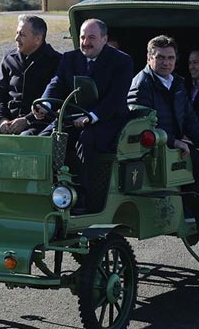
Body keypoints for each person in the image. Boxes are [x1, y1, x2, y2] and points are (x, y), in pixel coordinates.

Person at [34, 19, 134, 213]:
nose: (85, 42)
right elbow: (57, 83)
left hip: (107, 119)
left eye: (91, 38)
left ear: (104, 39)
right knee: (45, 139)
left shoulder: (122, 61)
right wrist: (44, 104)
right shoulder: (70, 58)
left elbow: (115, 98)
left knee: (87, 140)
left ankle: (82, 197)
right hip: (74, 116)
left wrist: (92, 117)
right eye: (82, 37)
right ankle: (45, 191)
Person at [128, 35, 199, 177]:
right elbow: (141, 126)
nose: (166, 63)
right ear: (149, 58)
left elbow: (189, 118)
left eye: (171, 58)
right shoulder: (141, 85)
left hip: (172, 145)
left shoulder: (177, 83)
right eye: (160, 57)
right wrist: (175, 142)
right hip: (152, 149)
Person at [0, 14, 61, 135]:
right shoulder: (9, 59)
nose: (16, 38)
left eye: (22, 35)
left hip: (38, 124)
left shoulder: (56, 61)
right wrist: (1, 120)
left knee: (24, 141)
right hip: (6, 121)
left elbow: (55, 99)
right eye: (17, 33)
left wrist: (27, 120)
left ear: (38, 39)